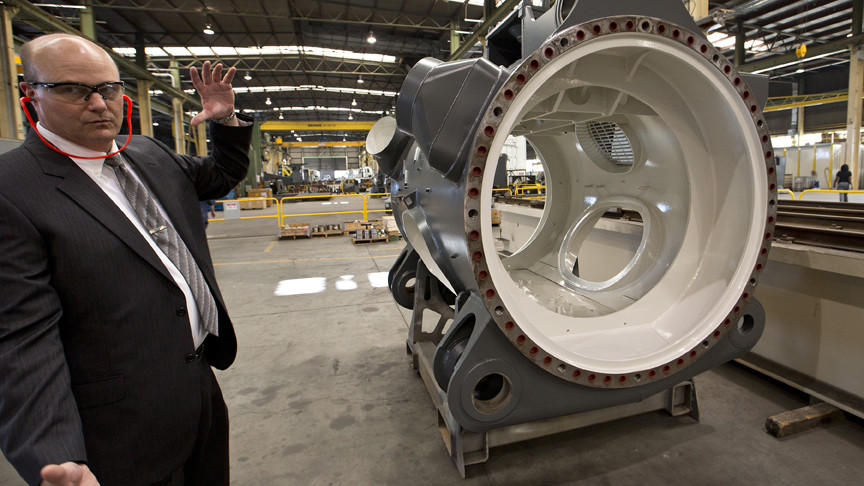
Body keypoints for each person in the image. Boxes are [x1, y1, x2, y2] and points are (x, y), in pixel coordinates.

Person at [0, 33, 251, 486]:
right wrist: (57, 453)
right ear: (30, 94)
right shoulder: (13, 189)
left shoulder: (146, 154)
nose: (99, 104)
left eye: (108, 88)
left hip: (198, 388)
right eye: (73, 90)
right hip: (120, 428)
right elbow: (21, 339)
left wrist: (225, 120)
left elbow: (221, 175)